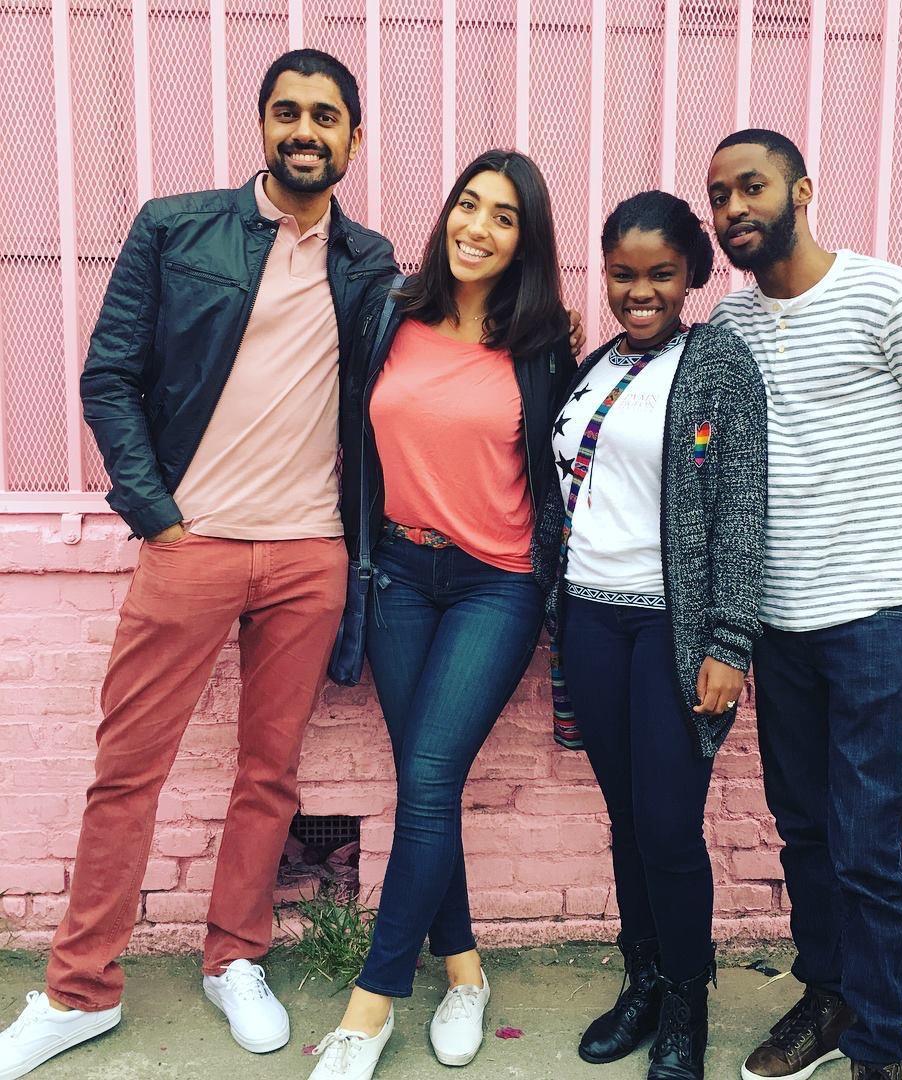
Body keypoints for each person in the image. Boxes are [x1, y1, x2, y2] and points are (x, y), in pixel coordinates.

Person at [0, 49, 399, 1080]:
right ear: (262, 127)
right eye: (286, 113)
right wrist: (155, 512)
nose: (304, 130)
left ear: (355, 139)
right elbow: (110, 374)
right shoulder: (178, 228)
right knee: (128, 772)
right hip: (195, 542)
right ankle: (80, 989)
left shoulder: (370, 261)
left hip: (312, 551)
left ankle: (235, 958)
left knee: (268, 774)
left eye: (325, 116)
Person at [706, 129, 902, 1080]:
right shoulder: (731, 327)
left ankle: (880, 1045)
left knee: (869, 846)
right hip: (777, 624)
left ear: (802, 189)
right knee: (802, 830)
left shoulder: (891, 298)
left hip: (872, 617)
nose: (734, 209)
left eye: (751, 186)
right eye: (719, 196)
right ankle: (827, 998)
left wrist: (886, 515)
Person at [305, 149, 575, 1080]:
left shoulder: (542, 348)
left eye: (504, 217)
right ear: (447, 212)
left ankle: (368, 1010)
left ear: (524, 241)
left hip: (494, 584)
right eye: (470, 205)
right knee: (429, 784)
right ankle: (465, 974)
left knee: (425, 776)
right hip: (396, 578)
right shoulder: (389, 312)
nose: (480, 228)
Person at [533, 190, 768, 1080]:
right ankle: (641, 980)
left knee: (669, 828)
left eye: (660, 275)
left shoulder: (717, 365)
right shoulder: (595, 364)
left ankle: (686, 1008)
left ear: (691, 276)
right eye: (624, 274)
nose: (640, 291)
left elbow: (743, 508)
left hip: (672, 626)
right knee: (627, 821)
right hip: (590, 620)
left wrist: (730, 640)